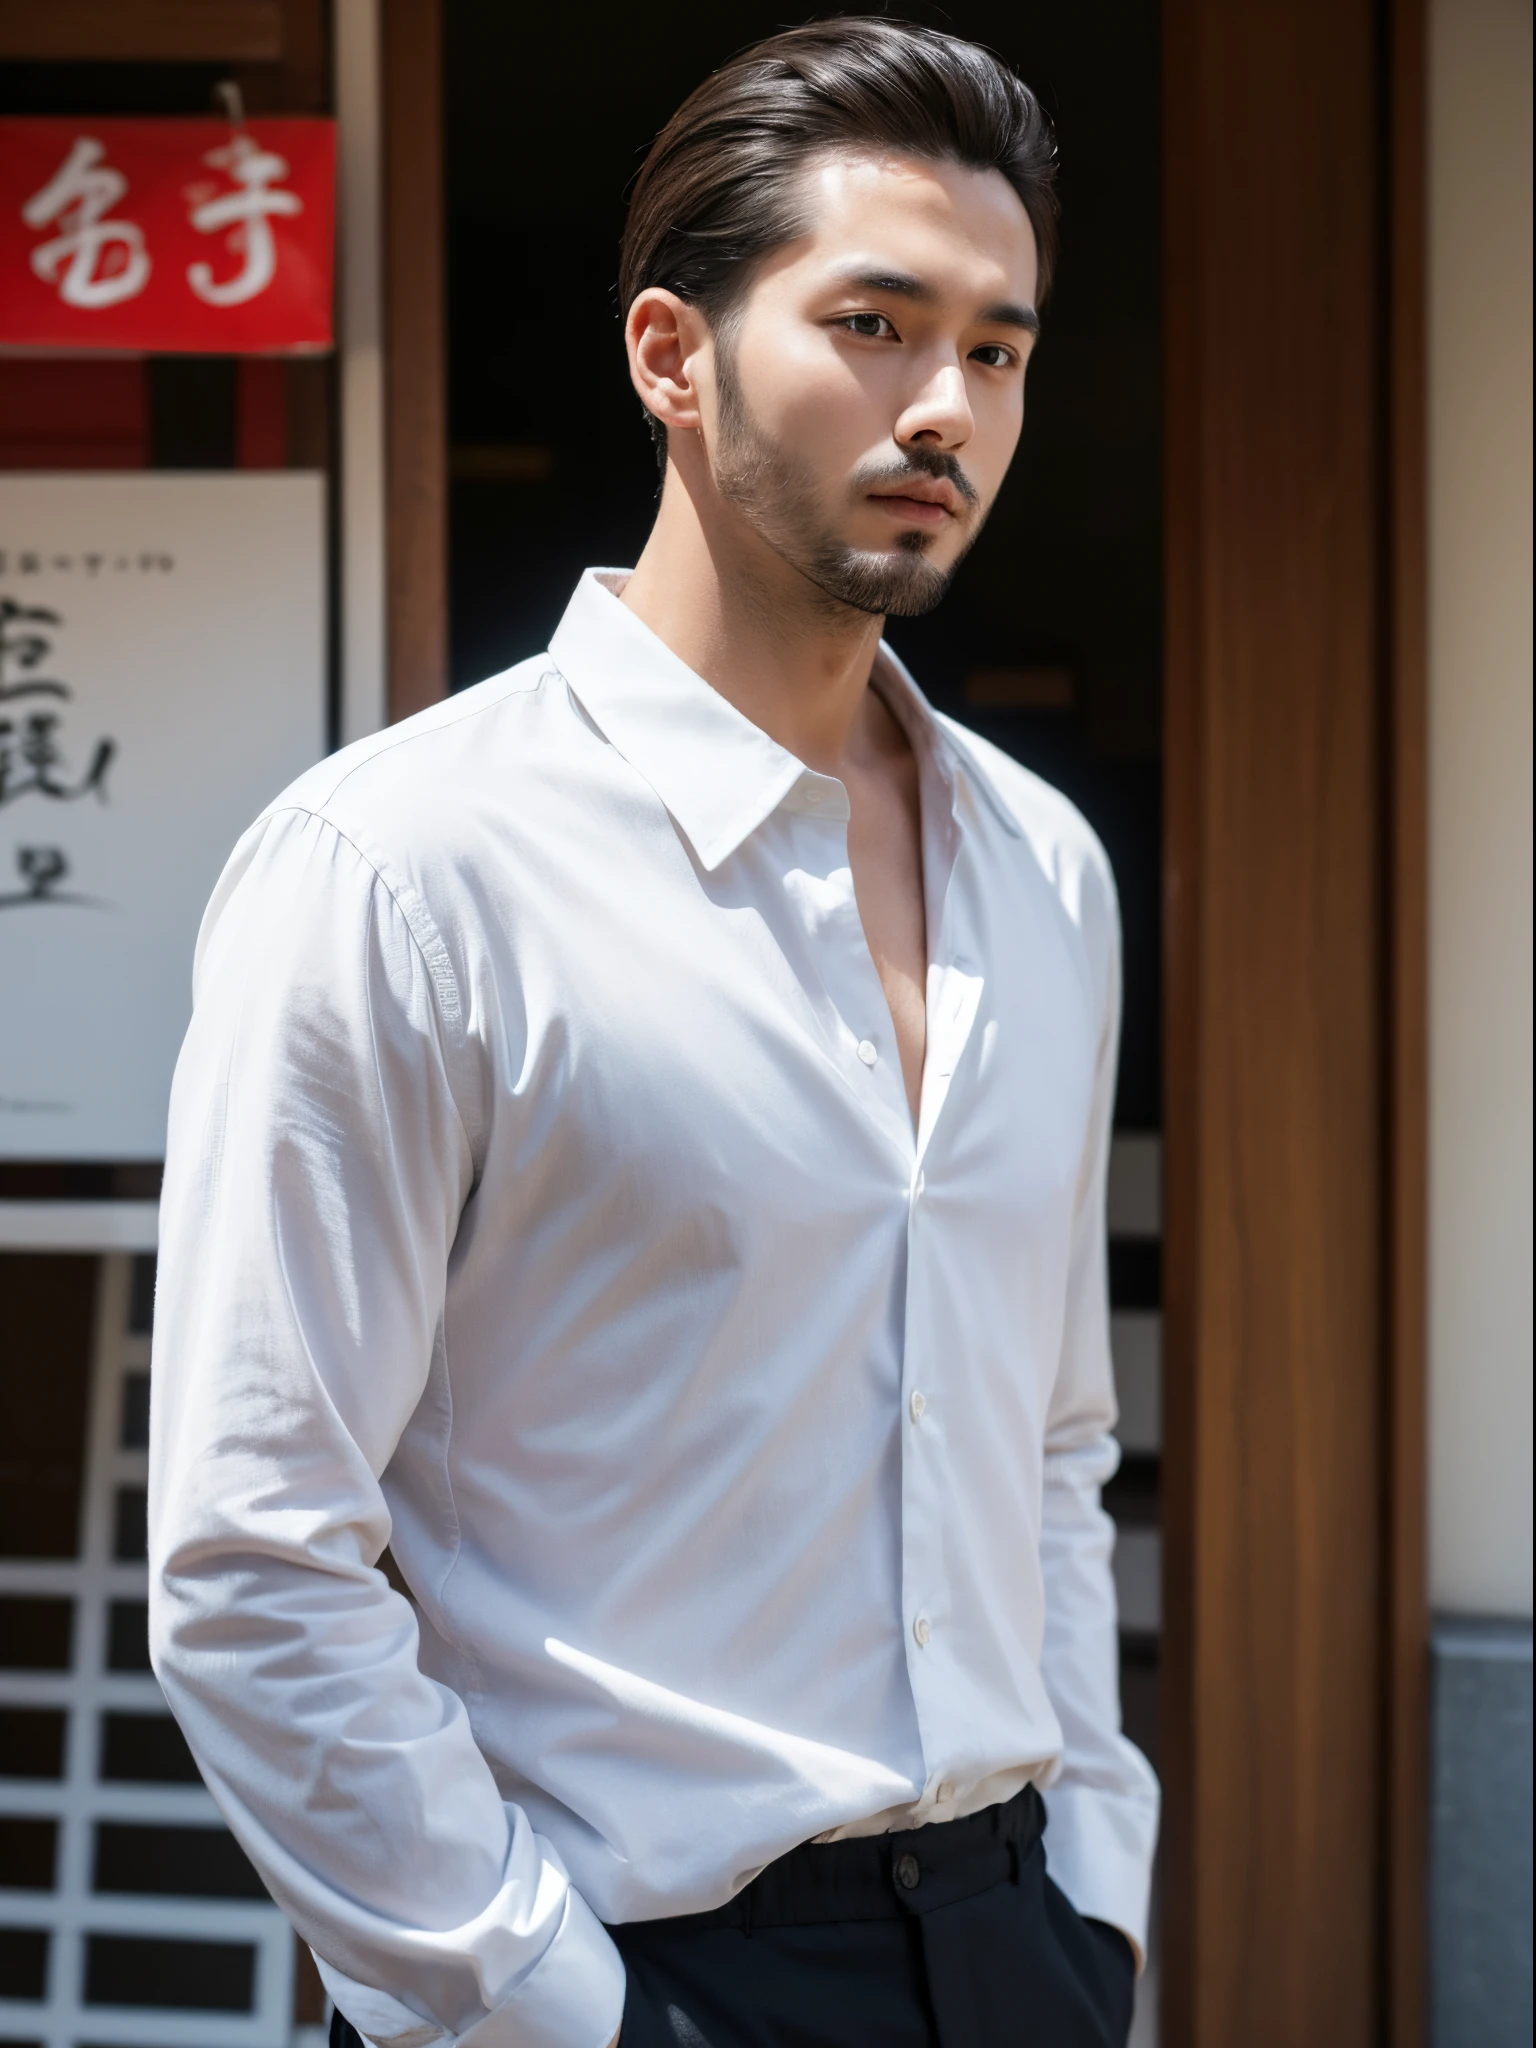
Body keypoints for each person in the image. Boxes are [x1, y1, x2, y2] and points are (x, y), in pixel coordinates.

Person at [149, 18, 1158, 2048]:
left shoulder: (1045, 873)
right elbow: (256, 1558)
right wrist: (542, 2006)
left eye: (998, 347)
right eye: (873, 321)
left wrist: (1096, 1886)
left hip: (1011, 1938)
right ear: (669, 357)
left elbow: (1050, 1442)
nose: (943, 404)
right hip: (623, 1968)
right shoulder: (404, 870)